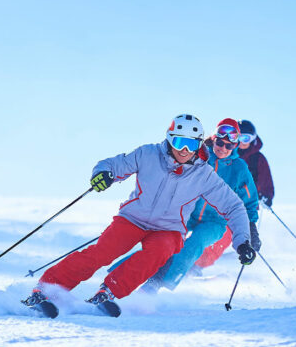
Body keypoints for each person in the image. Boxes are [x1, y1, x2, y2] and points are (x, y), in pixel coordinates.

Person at [23, 114, 257, 313]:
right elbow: (114, 164)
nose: (185, 151)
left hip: (168, 228)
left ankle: (109, 291)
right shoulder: (148, 154)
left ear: (199, 145)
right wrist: (104, 173)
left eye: (192, 145)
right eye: (179, 142)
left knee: (161, 251)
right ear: (169, 139)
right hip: (133, 219)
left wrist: (243, 241)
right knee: (103, 252)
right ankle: (46, 288)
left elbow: (234, 206)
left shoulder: (202, 173)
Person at [144, 118, 261, 290]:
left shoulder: (239, 168)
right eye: (220, 143)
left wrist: (251, 228)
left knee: (194, 243)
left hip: (215, 221)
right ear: (214, 139)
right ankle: (120, 278)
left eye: (229, 146)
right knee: (163, 240)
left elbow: (249, 201)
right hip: (188, 211)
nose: (223, 148)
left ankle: (160, 287)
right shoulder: (200, 156)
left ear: (235, 146)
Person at [237, 119, 275, 207]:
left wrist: (266, 196)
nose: (242, 142)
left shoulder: (258, 159)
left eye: (246, 138)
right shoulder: (226, 153)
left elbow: (266, 179)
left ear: (253, 139)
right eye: (239, 138)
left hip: (248, 204)